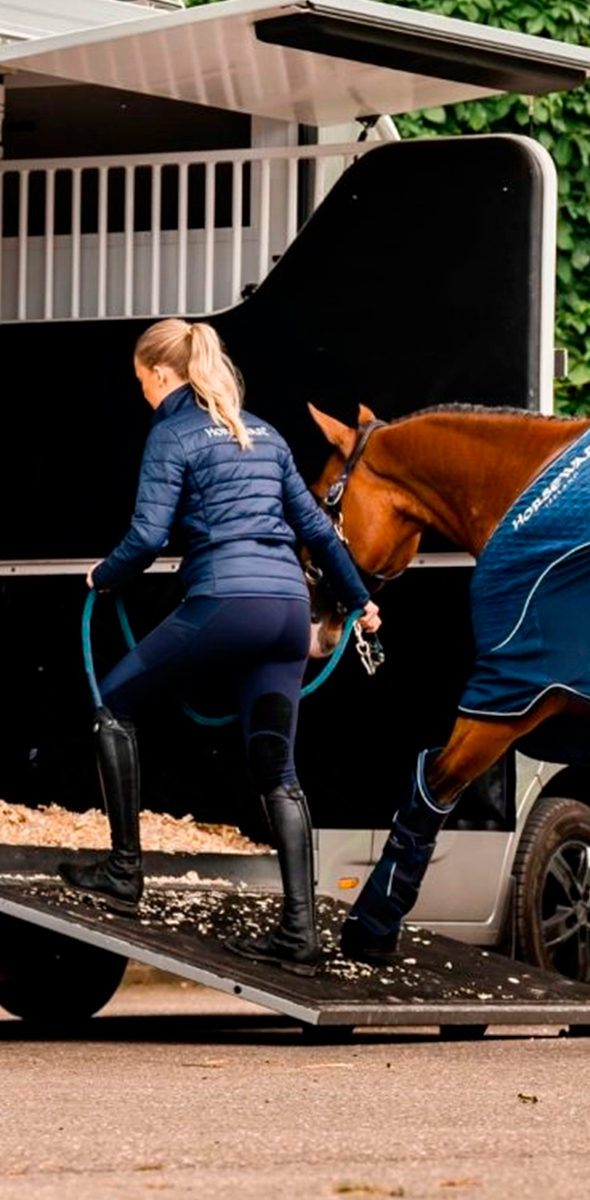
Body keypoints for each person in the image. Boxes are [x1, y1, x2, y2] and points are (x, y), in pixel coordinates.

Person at [59, 317, 380, 976]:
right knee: (277, 770)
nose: (144, 393)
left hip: (226, 602)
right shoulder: (261, 430)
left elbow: (147, 537)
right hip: (288, 610)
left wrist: (104, 574)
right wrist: (360, 601)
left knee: (114, 702)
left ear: (158, 373)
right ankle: (299, 933)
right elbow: (319, 532)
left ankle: (124, 870)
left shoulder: (171, 432)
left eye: (141, 381)